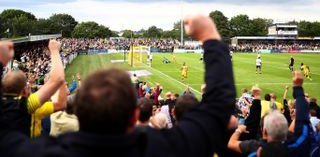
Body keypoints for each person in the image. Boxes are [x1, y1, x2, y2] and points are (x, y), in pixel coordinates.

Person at [0, 14, 236, 157]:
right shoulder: (167, 148)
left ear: (79, 111)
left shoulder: (41, 151)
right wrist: (210, 35)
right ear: (134, 116)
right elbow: (217, 108)